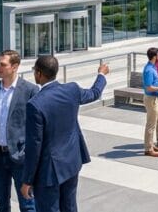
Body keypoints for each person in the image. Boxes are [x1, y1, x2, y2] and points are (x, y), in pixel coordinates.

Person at [21, 56, 108, 212]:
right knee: (69, 207)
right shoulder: (72, 90)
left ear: (39, 73)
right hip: (71, 163)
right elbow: (94, 93)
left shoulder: (35, 104)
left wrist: (27, 180)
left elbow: (34, 146)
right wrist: (101, 75)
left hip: (48, 173)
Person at [0, 50, 40, 212]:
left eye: (2, 64)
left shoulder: (30, 90)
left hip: (21, 158)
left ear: (15, 66)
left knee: (28, 204)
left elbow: (36, 128)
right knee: (0, 204)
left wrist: (27, 153)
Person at [142, 47, 158, 157]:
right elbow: (149, 88)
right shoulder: (149, 69)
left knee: (152, 123)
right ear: (154, 57)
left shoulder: (152, 67)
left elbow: (153, 83)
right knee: (151, 124)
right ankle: (148, 149)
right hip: (151, 99)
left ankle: (151, 145)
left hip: (154, 98)